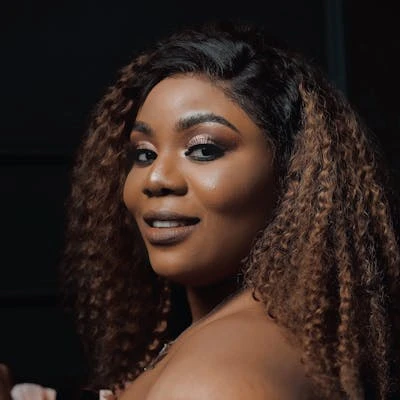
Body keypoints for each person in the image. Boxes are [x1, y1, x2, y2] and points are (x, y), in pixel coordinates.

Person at [56, 19, 400, 400]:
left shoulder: (211, 382)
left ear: (294, 172)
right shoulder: (263, 338)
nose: (156, 178)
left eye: (204, 150)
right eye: (144, 154)